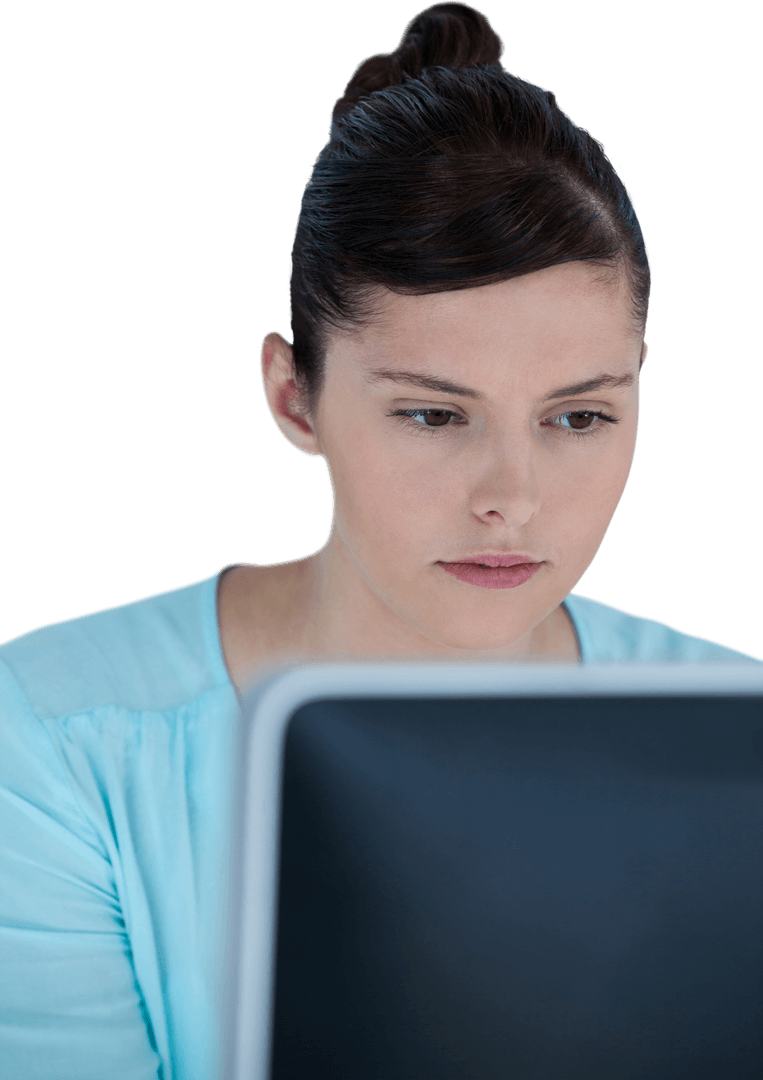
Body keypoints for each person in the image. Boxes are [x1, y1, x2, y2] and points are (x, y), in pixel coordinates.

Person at [0, 4, 759, 1079]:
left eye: (578, 416)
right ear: (292, 397)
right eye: (433, 414)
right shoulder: (55, 746)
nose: (513, 498)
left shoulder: (736, 740)